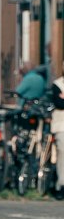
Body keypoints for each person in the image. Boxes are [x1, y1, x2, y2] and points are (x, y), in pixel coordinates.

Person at [51, 71, 64, 201]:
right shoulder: (58, 84)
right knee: (62, 154)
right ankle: (61, 185)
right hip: (61, 125)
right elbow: (59, 103)